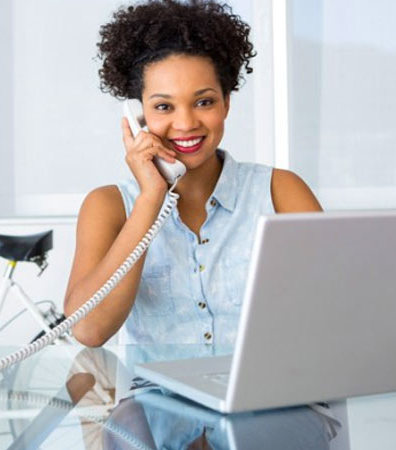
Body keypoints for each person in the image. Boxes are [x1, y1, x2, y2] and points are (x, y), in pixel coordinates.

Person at [64, 0, 321, 348]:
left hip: (266, 394)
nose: (186, 123)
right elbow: (89, 331)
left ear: (226, 103)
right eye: (163, 107)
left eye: (204, 102)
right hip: (156, 401)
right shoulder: (108, 205)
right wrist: (151, 198)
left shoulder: (279, 191)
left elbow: (333, 311)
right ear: (138, 115)